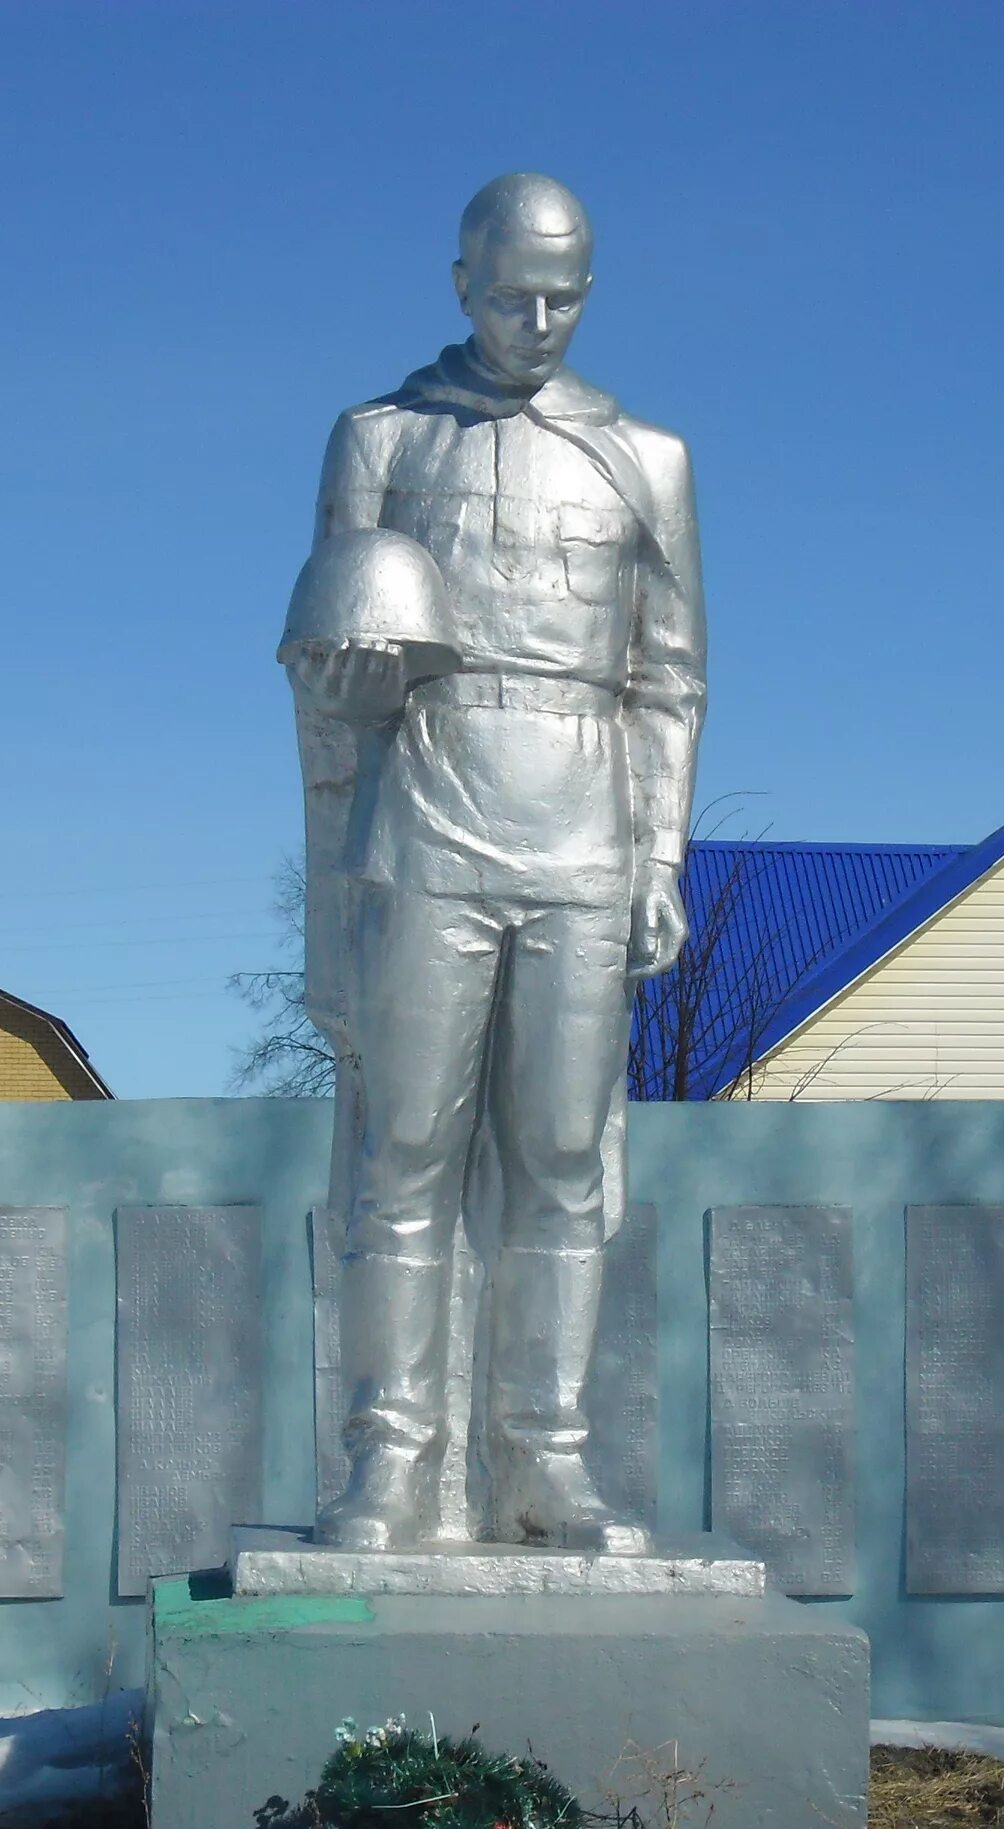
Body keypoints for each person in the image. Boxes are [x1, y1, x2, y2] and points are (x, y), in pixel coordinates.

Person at [287, 172, 705, 1553]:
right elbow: (329, 693)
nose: (539, 318)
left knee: (565, 1158)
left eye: (566, 291)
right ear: (460, 279)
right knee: (401, 1151)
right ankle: (391, 1461)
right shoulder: (385, 438)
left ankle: (546, 1457)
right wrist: (333, 891)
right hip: (431, 814)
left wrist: (658, 856)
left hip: (585, 823)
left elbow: (670, 681)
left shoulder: (647, 458)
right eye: (514, 289)